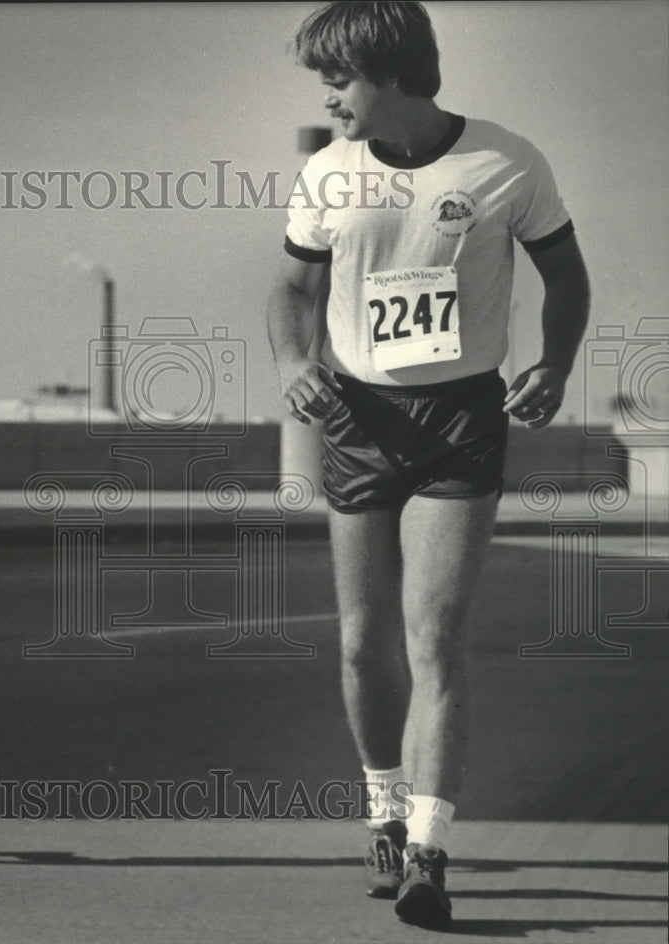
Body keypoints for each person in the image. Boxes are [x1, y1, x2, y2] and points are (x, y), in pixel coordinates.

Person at [268, 1, 589, 929]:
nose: (328, 97)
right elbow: (290, 288)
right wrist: (292, 363)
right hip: (356, 419)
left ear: (390, 70)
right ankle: (383, 812)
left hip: (459, 417)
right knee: (361, 643)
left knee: (433, 641)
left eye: (338, 78)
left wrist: (554, 365)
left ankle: (428, 852)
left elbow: (566, 275)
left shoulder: (505, 161)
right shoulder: (328, 174)